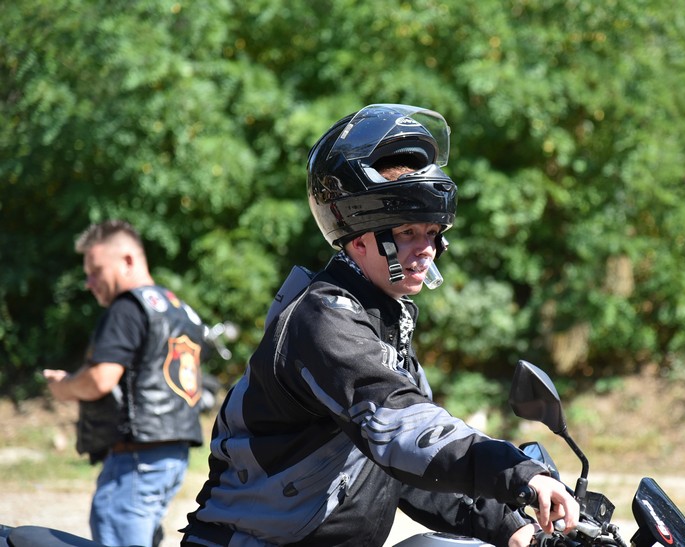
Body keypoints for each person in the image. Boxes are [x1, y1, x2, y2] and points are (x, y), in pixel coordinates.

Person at [182, 104, 578, 547]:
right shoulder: (323, 319)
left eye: (433, 232)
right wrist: (518, 472)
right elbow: (402, 427)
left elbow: (409, 468)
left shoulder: (383, 320)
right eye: (407, 232)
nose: (426, 249)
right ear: (358, 237)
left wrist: (511, 526)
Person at [44, 219, 207, 547]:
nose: (89, 283)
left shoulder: (128, 308)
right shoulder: (180, 310)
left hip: (136, 459)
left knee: (116, 528)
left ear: (128, 260)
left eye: (96, 271)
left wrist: (63, 386)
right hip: (172, 456)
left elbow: (100, 380)